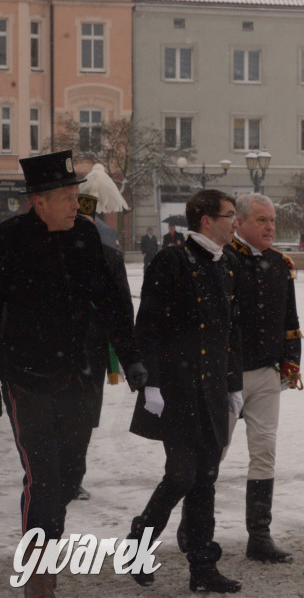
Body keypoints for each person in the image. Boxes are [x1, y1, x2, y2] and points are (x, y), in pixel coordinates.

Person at [0, 150, 145, 598]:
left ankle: (47, 548)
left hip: (80, 377)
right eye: (66, 197)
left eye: (75, 196)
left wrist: (131, 357)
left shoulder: (85, 235)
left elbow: (114, 303)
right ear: (39, 201)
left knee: (68, 475)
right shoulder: (8, 241)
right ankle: (39, 582)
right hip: (26, 377)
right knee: (42, 478)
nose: (74, 205)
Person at [126, 188, 243, 593]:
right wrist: (152, 384)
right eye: (229, 215)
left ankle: (203, 567)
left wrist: (234, 384)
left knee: (205, 479)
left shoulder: (228, 263)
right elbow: (149, 326)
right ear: (206, 220)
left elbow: (230, 331)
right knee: (180, 476)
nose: (235, 222)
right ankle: (139, 542)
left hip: (213, 389)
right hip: (177, 389)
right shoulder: (172, 260)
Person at [222, 193, 302, 564]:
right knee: (214, 454)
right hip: (226, 376)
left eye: (272, 220)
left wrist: (291, 361)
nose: (270, 227)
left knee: (264, 452)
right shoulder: (223, 261)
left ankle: (259, 535)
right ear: (238, 222)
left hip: (267, 374)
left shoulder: (280, 264)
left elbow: (290, 320)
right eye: (261, 220)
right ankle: (195, 532)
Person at [72, 167, 135, 503]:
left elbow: (121, 307)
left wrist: (130, 355)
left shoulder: (108, 250)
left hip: (92, 348)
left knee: (83, 417)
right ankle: (45, 476)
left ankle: (72, 476)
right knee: (52, 417)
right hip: (54, 348)